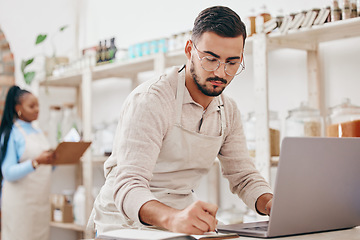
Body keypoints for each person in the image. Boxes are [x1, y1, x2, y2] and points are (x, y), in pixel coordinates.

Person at [89, 6, 273, 235]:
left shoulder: (228, 110)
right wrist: (173, 218)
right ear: (189, 50)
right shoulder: (152, 101)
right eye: (210, 59)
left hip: (181, 219)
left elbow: (243, 177)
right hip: (124, 223)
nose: (221, 72)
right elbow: (129, 185)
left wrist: (271, 204)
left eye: (232, 63)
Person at [1, 85, 55, 240]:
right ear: (18, 108)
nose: (37, 109)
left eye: (38, 105)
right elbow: (8, 173)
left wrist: (54, 160)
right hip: (20, 205)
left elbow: (43, 169)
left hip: (40, 203)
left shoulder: (39, 132)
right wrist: (35, 162)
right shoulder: (12, 134)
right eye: (31, 106)